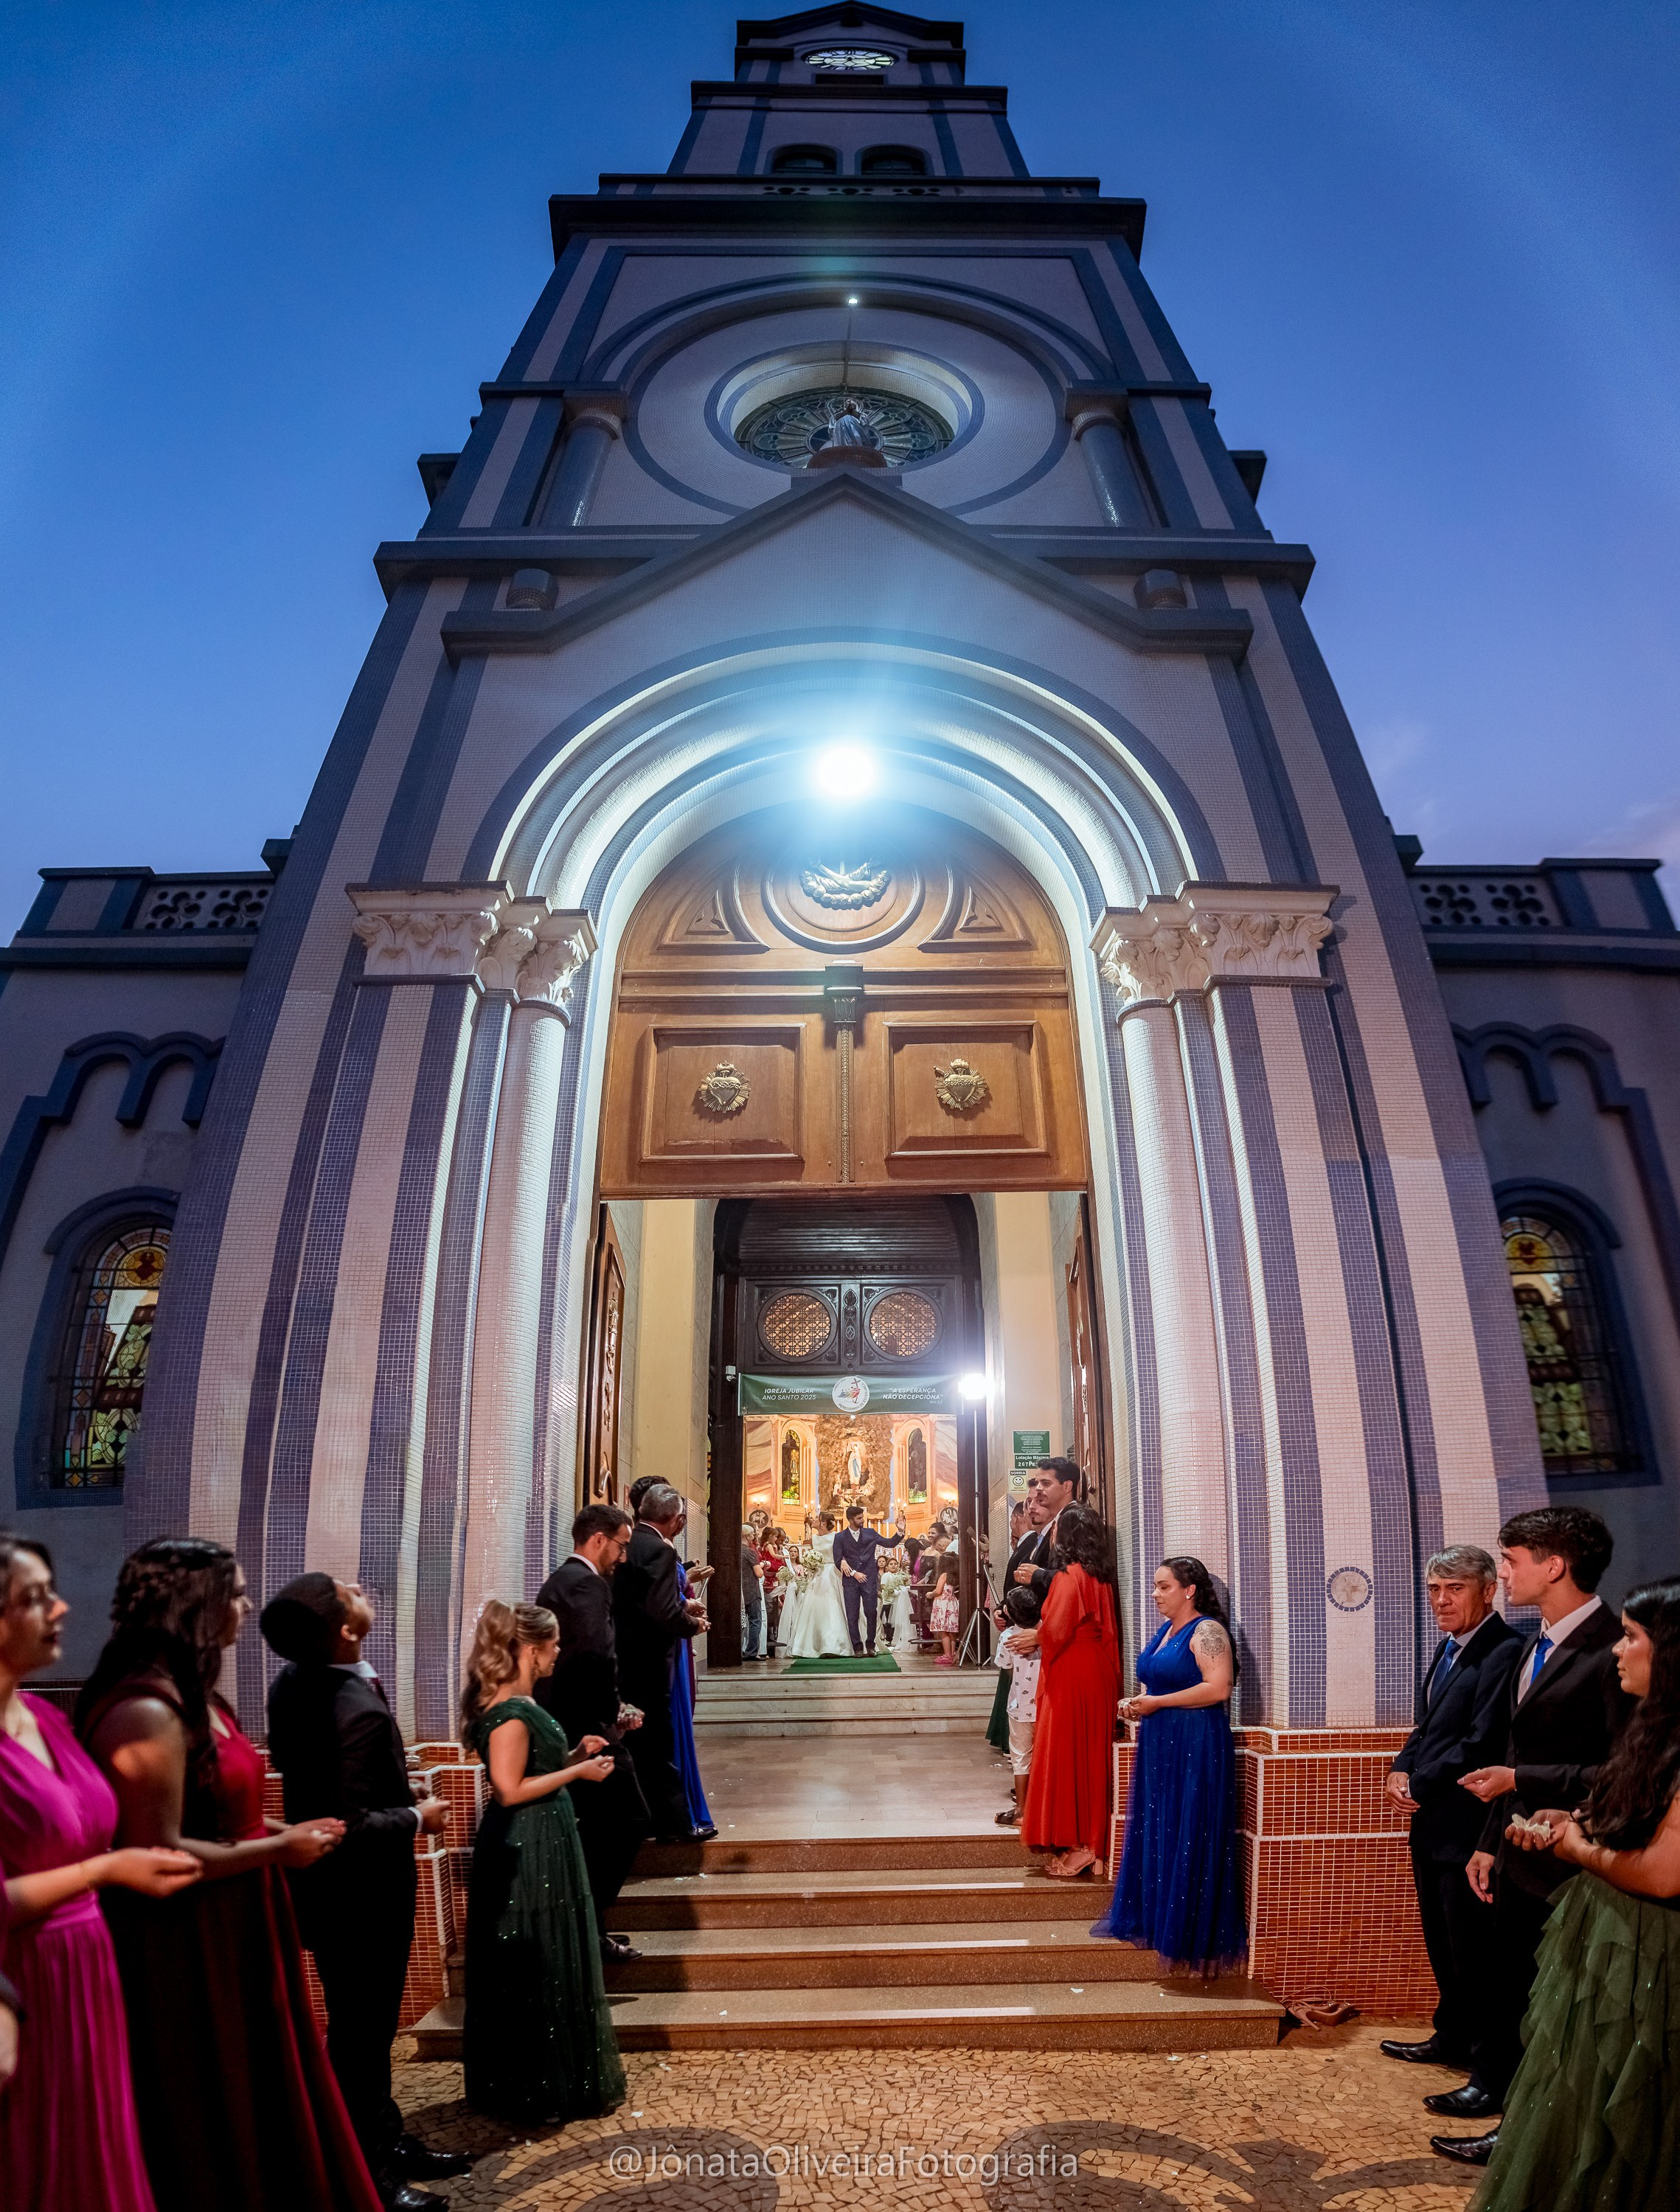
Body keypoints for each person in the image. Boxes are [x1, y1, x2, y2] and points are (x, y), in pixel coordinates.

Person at [77, 1537, 383, 2212]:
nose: (247, 1608)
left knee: (266, 2071)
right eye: (236, 1595)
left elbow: (224, 1816)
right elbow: (160, 1849)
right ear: (198, 1605)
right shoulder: (146, 1711)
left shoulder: (199, 1697)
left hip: (245, 1911)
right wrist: (278, 1850)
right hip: (189, 1935)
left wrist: (286, 1832)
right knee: (217, 2089)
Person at [0, 1534, 200, 2212]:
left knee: (98, 2151)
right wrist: (107, 1869)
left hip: (89, 1967)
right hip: (25, 1974)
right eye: (35, 1598)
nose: (61, 1608)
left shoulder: (45, 1718)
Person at [1468, 1576, 1680, 2212]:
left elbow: (1665, 1873)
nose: (1619, 1649)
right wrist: (1572, 1820)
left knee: (1627, 2103)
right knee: (1577, 2091)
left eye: (1632, 1638)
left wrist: (1573, 1847)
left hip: (1651, 1953)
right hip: (1610, 1936)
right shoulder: (1654, 1729)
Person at [1431, 1506, 1634, 2168]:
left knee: (1555, 2005)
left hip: (1574, 1861)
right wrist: (1489, 1841)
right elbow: (1513, 1754)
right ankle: (1503, 2103)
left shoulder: (1614, 1648)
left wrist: (1523, 1779)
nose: (1505, 1573)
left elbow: (1618, 1770)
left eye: (1512, 1561)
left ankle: (1530, 2132)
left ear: (1554, 1566)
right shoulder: (1535, 1643)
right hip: (1517, 1851)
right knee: (1510, 1989)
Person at [263, 1573, 470, 2212]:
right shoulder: (346, 1705)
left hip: (341, 1894)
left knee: (367, 2032)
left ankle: (385, 2139)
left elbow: (327, 1779)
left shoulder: (298, 1680)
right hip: (360, 1898)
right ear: (347, 1630)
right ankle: (366, 2174)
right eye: (345, 1592)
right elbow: (344, 1823)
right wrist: (416, 1816)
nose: (357, 1585)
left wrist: (397, 1788)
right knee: (360, 2037)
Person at [459, 1600, 625, 2125]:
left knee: (553, 1953)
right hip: (526, 1844)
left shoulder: (524, 1703)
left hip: (546, 1835)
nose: (558, 1652)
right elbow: (509, 1790)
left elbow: (531, 1769)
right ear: (530, 1650)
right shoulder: (510, 1712)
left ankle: (557, 2080)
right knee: (537, 1961)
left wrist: (574, 1755)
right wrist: (576, 1774)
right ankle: (532, 2086)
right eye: (552, 1645)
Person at [1380, 1545, 1522, 2079]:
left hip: (1469, 1823)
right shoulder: (1447, 1648)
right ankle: (1452, 2036)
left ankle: (1487, 2065)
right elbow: (1428, 1727)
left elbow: (1482, 1741)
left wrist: (1419, 1781)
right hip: (1432, 1822)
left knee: (1473, 1946)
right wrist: (1400, 1768)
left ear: (1488, 1591)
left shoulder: (1504, 1651)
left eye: (1455, 1589)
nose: (1441, 1600)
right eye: (1435, 1589)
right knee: (1441, 1939)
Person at [1094, 1555, 1246, 1972]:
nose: (1156, 1594)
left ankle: (1186, 1933)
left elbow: (1219, 1688)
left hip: (1196, 1741)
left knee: (1189, 1827)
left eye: (1164, 1587)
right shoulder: (1166, 1631)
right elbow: (1160, 1683)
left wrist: (1157, 1702)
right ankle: (1159, 1921)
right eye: (1156, 1586)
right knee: (1161, 1824)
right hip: (1160, 1742)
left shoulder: (1207, 1630)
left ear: (1189, 1590)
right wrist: (1137, 1702)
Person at [535, 1504, 650, 1961]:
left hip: (568, 1719)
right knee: (628, 1819)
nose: (623, 1557)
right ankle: (586, 1924)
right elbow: (595, 1654)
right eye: (621, 1546)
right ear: (599, 1539)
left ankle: (587, 1926)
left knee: (600, 1823)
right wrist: (613, 1711)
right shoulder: (587, 1584)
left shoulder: (561, 1580)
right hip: (584, 1726)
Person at [1018, 1503, 1123, 1879]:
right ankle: (1093, 1844)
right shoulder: (1100, 1576)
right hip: (1096, 1671)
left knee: (1068, 1756)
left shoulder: (1069, 1576)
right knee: (1091, 1757)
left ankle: (1084, 1846)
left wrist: (1034, 1636)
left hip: (1072, 1672)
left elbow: (1057, 1630)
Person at [613, 1484, 709, 1843]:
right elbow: (662, 1610)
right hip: (651, 1660)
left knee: (639, 1743)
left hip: (623, 1656)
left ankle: (643, 1818)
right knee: (658, 1743)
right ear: (678, 1520)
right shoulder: (660, 1550)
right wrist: (693, 1624)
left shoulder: (627, 1543)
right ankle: (674, 1825)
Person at [669, 1550, 716, 1840]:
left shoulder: (661, 1551)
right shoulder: (654, 1552)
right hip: (672, 1643)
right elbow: (662, 1603)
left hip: (681, 1639)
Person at [993, 1585, 1042, 1828]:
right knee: (1044, 1756)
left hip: (1020, 1706)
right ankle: (1045, 1809)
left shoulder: (1008, 1637)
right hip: (1045, 1706)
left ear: (1010, 1613)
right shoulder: (1047, 1633)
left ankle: (1022, 1811)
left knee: (1021, 1759)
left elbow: (1007, 1668)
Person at [835, 1505, 906, 1656]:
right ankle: (857, 1648)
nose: (863, 1520)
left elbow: (889, 1543)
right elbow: (837, 1560)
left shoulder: (870, 1533)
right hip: (851, 1581)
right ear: (851, 1520)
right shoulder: (840, 1537)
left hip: (869, 1579)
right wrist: (854, 1573)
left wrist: (900, 1531)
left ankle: (870, 1645)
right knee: (852, 1615)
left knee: (871, 1613)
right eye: (859, 1518)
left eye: (863, 1517)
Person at [784, 1514, 853, 1659]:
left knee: (832, 1605)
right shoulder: (813, 1539)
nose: (813, 1519)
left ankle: (834, 1644)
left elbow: (844, 1554)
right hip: (818, 1574)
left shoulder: (836, 1536)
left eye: (816, 1518)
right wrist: (811, 1563)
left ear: (823, 1523)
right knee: (815, 1606)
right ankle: (813, 1644)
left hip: (832, 1573)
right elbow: (813, 1554)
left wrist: (843, 1561)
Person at [927, 1545, 961, 1664]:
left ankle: (947, 1655)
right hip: (952, 1603)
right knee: (951, 1632)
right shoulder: (954, 1576)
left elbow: (938, 1591)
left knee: (943, 1631)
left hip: (943, 1603)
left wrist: (930, 1594)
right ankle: (952, 1654)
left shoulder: (944, 1575)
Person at [740, 1531, 766, 1660]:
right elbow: (759, 1573)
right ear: (747, 1536)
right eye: (752, 1534)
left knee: (740, 1622)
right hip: (751, 1590)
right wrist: (763, 1565)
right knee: (755, 1621)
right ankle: (751, 1652)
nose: (754, 1537)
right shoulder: (750, 1552)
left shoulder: (736, 1550)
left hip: (739, 1590)